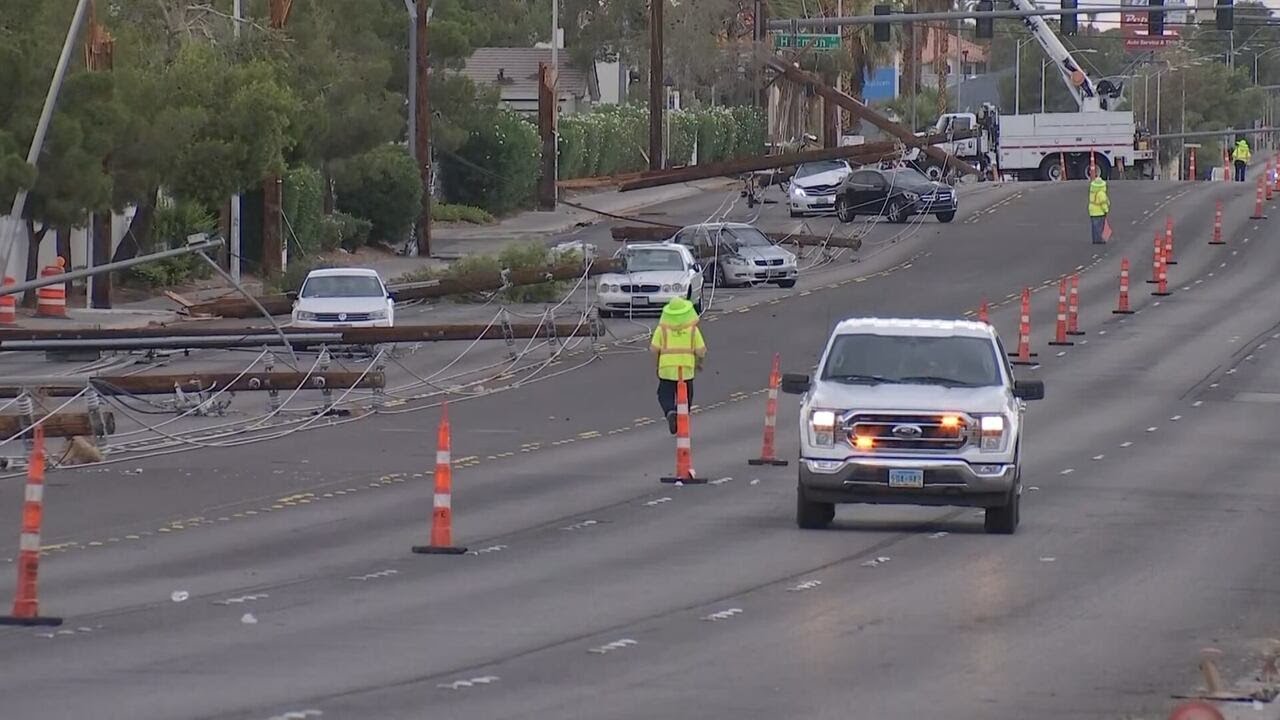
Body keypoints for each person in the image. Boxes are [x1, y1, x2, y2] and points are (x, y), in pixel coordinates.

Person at [649, 297, 706, 434]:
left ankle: (670, 411)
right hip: (686, 369)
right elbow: (701, 350)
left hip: (667, 369)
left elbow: (654, 349)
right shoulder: (692, 330)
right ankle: (682, 418)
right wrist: (698, 363)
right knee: (686, 396)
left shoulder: (662, 329)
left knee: (664, 394)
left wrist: (657, 365)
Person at [1087, 165, 1110, 245]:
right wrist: (1106, 210)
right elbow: (1103, 203)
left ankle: (1095, 239)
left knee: (1094, 227)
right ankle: (1099, 239)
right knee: (1100, 227)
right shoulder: (1101, 193)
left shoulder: (1093, 191)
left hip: (1092, 211)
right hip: (1099, 212)